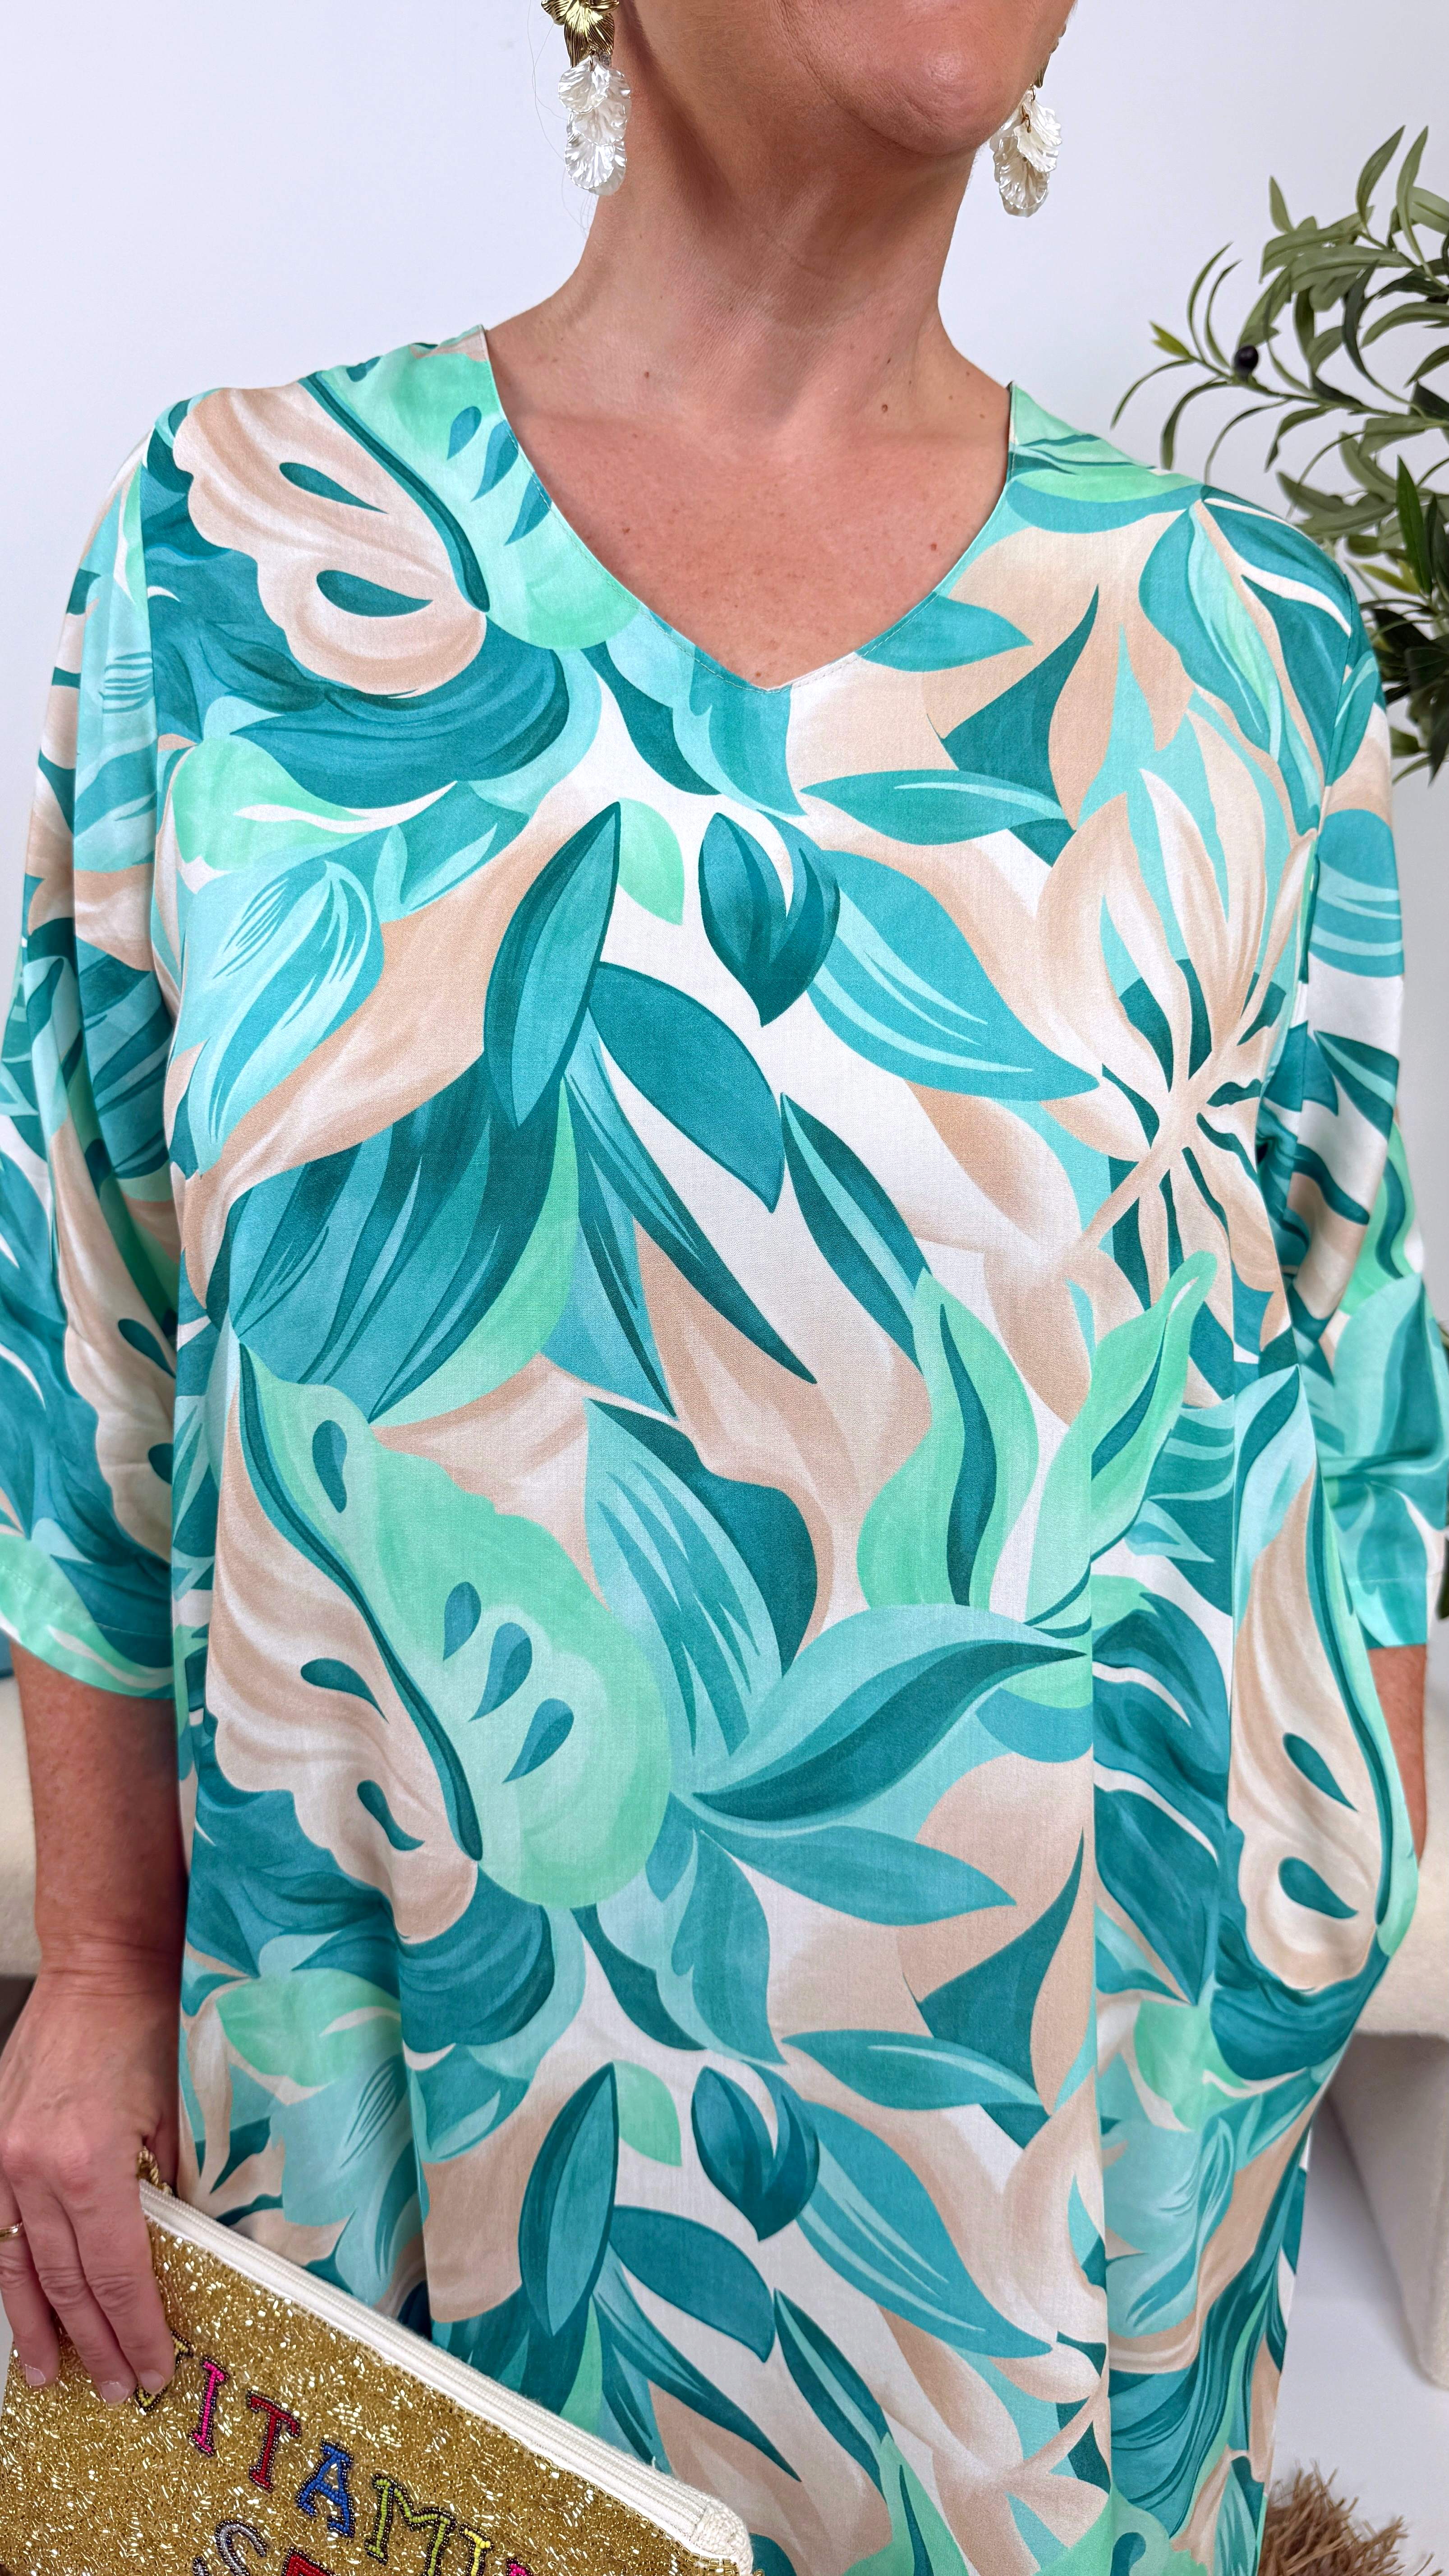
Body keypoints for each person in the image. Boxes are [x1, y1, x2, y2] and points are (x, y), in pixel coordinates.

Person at [1, 2, 1445, 2569]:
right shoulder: (239, 553)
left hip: (1052, 2240)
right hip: (386, 2161)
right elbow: (88, 1326)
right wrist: (105, 1958)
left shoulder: (1245, 646)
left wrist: (1289, 1961)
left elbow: (1355, 1400)